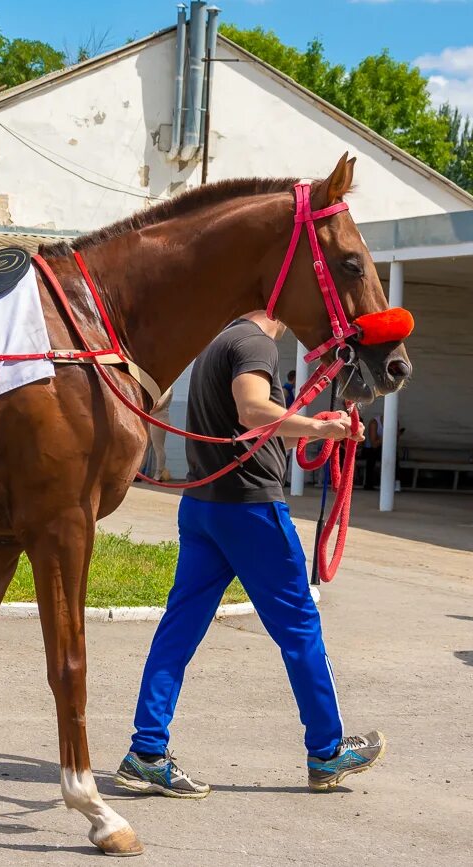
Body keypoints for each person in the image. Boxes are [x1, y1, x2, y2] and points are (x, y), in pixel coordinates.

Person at [115, 311, 383, 799]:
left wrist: (307, 426)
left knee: (178, 631)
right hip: (251, 511)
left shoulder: (220, 341)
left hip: (203, 508)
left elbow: (249, 426)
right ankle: (327, 752)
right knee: (300, 628)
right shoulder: (257, 344)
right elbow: (252, 411)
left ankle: (146, 753)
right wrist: (325, 432)